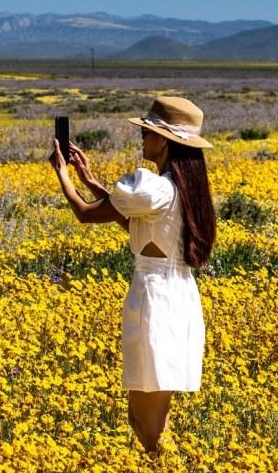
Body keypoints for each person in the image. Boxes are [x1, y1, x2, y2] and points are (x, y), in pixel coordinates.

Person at [49, 96, 216, 453]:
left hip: (155, 299)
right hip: (177, 297)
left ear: (166, 141)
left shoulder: (153, 188)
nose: (142, 137)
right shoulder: (182, 187)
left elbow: (84, 214)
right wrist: (90, 180)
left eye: (149, 131)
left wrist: (62, 174)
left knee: (149, 425)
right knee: (143, 420)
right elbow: (139, 227)